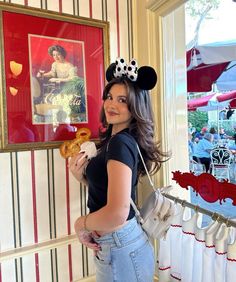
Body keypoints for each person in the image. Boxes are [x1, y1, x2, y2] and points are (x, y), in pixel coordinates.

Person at [69, 58, 169, 281]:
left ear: (136, 106)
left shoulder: (120, 143)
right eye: (109, 97)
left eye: (122, 100)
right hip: (120, 244)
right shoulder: (116, 140)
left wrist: (80, 224)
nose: (111, 105)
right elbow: (112, 192)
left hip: (120, 246)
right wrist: (82, 178)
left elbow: (117, 213)